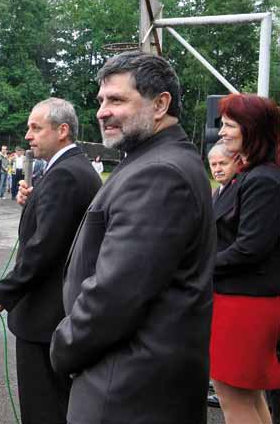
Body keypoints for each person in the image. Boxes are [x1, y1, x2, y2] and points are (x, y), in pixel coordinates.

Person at [49, 51, 215, 424]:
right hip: (132, 384)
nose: (102, 112)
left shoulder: (160, 173)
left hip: (126, 392)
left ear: (160, 104)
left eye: (117, 100)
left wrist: (62, 348)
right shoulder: (153, 160)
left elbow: (115, 296)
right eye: (101, 101)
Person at [0, 98, 101, 424]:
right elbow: (60, 226)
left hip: (45, 315)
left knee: (43, 405)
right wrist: (35, 202)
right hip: (60, 311)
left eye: (36, 127)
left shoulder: (64, 175)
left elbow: (44, 249)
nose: (28, 135)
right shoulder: (74, 168)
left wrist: (2, 294)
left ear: (62, 131)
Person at [211, 93, 280, 424]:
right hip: (239, 300)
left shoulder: (263, 180)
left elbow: (251, 247)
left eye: (228, 125)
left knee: (233, 397)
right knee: (248, 396)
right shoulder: (249, 176)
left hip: (244, 303)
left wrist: (198, 266)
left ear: (250, 129)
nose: (221, 131)